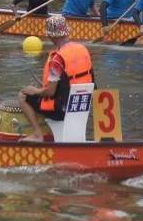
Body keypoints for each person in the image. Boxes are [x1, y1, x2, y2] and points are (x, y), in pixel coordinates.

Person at [18, 14, 94, 142]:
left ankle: (38, 134)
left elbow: (50, 92)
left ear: (50, 36)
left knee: (23, 95)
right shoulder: (83, 49)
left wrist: (35, 91)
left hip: (61, 109)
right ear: (66, 32)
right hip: (82, 105)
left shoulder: (57, 59)